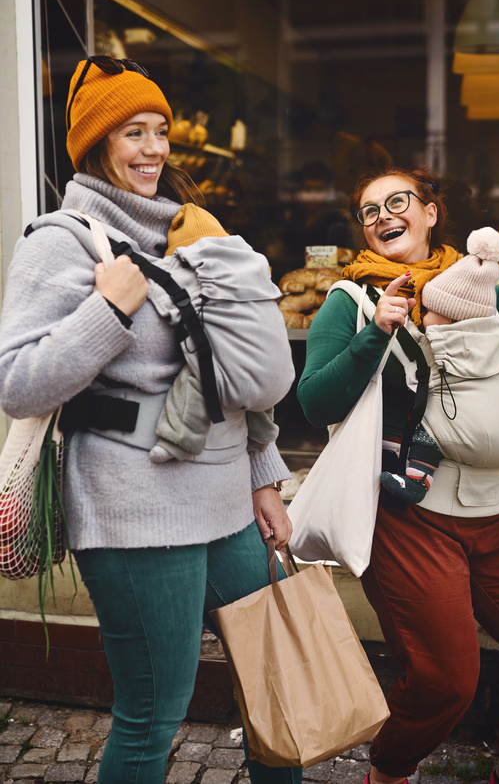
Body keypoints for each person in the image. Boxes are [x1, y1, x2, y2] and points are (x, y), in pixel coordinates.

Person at [0, 55, 299, 784]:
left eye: (160, 131)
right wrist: (109, 310)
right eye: (133, 132)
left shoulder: (190, 229)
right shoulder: (61, 241)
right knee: (155, 715)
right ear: (96, 143)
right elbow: (18, 382)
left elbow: (227, 370)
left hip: (227, 502)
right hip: (136, 516)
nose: (155, 150)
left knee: (278, 681)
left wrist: (264, 477)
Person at [297, 146, 499, 784]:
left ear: (432, 212)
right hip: (411, 517)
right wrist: (375, 329)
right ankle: (390, 772)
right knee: (445, 679)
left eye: (397, 202)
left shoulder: (475, 289)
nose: (382, 215)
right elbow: (314, 400)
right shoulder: (349, 300)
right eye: (368, 210)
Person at [377, 226, 499, 505]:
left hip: (466, 438)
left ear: (450, 318)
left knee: (427, 431)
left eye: (428, 310)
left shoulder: (442, 340)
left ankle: (416, 482)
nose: (423, 314)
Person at [148, 201, 280, 463]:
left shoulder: (189, 268)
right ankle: (262, 434)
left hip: (226, 359)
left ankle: (179, 439)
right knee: (256, 381)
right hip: (275, 368)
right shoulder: (251, 265)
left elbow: (166, 299)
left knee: (196, 377)